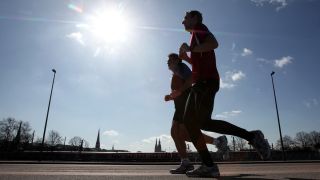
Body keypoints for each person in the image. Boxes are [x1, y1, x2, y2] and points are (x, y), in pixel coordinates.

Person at [178, 10, 271, 178]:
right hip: (204, 82)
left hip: (206, 82)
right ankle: (251, 136)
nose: (182, 22)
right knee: (202, 122)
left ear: (194, 18)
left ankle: (210, 165)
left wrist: (190, 48)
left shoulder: (199, 28)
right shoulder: (195, 36)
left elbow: (214, 43)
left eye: (185, 18)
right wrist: (187, 57)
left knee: (190, 121)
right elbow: (200, 58)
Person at [164, 53, 228, 174]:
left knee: (185, 134)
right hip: (178, 106)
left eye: (170, 60)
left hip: (185, 105)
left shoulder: (182, 67)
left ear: (177, 60)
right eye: (167, 60)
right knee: (177, 133)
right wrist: (170, 97)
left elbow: (191, 79)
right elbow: (178, 90)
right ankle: (188, 161)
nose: (168, 62)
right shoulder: (175, 73)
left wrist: (179, 92)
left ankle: (215, 144)